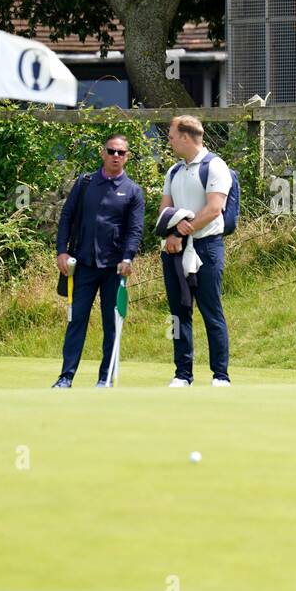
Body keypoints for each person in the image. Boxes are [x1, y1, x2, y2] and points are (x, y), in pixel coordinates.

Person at [53, 135, 145, 388]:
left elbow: (135, 230)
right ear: (103, 153)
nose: (116, 156)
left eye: (121, 152)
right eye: (111, 151)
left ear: (127, 156)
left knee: (111, 325)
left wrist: (128, 258)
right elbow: (66, 218)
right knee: (76, 321)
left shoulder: (133, 191)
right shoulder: (85, 183)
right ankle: (65, 377)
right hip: (82, 265)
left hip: (114, 269)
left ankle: (105, 378)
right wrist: (61, 251)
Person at [160, 115, 233, 387]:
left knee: (211, 310)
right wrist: (171, 234)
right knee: (179, 313)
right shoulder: (173, 171)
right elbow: (165, 209)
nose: (169, 140)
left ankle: (220, 375)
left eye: (171, 136)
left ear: (186, 137)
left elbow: (214, 209)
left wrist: (180, 232)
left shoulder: (215, 166)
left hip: (206, 247)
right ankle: (182, 374)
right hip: (175, 249)